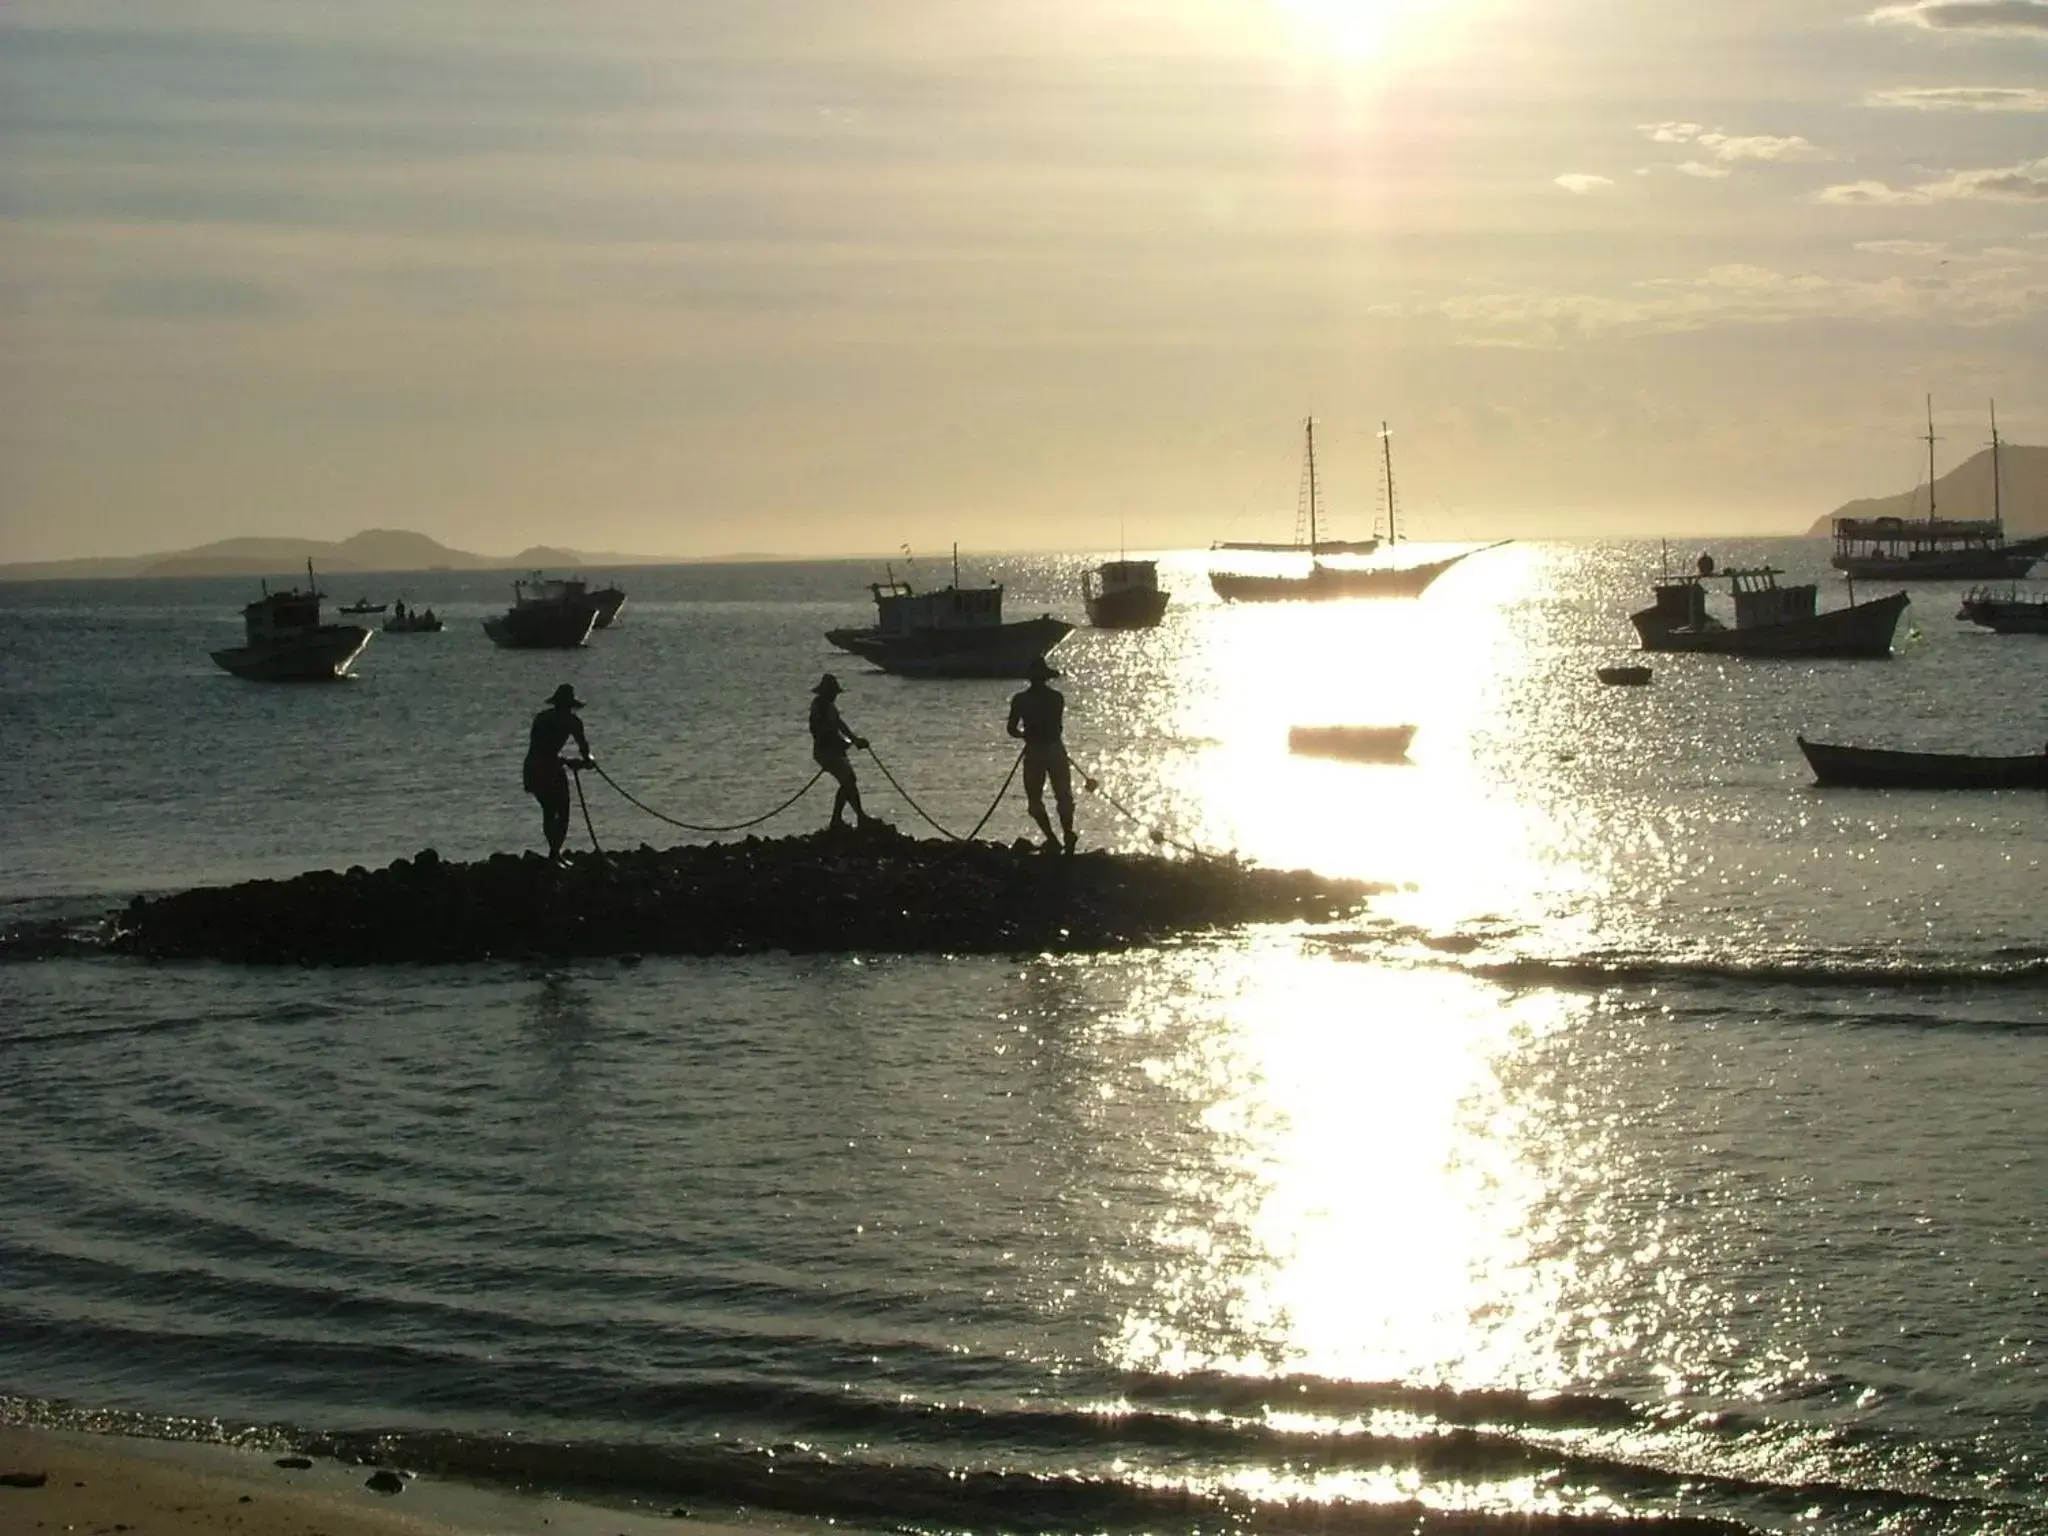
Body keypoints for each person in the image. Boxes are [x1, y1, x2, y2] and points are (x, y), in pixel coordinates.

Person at [1007, 655, 1076, 854]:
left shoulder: (1021, 700)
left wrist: (1025, 734)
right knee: (1063, 796)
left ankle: (1054, 838)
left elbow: (1011, 729)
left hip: (1036, 750)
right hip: (1055, 748)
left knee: (1036, 799)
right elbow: (1058, 727)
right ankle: (1067, 834)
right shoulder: (1056, 698)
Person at [523, 683, 593, 860]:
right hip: (542, 768)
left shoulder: (545, 719)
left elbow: (584, 750)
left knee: (553, 810)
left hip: (536, 767)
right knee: (557, 809)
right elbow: (543, 748)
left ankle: (554, 852)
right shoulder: (570, 721)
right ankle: (554, 853)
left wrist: (584, 761)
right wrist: (584, 761)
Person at [808, 673, 870, 829]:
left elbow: (840, 725)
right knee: (848, 780)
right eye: (833, 693)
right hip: (825, 752)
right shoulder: (819, 707)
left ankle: (855, 816)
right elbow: (821, 732)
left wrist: (854, 740)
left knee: (849, 781)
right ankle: (846, 818)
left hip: (833, 751)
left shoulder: (829, 707)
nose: (835, 696)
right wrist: (842, 743)